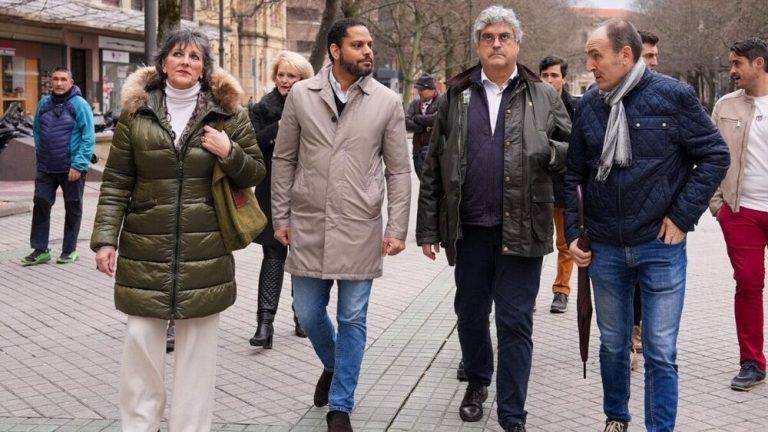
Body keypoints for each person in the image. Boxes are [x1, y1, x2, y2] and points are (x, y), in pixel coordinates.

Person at [90, 29, 265, 432]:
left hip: (205, 248)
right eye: (177, 54)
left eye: (195, 56)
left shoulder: (227, 115)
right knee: (140, 345)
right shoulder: (137, 114)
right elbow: (116, 180)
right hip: (144, 245)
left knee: (197, 355)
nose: (186, 62)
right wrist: (104, 239)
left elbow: (255, 171)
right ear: (163, 62)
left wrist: (229, 151)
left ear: (205, 68)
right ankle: (138, 425)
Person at [566, 19, 729, 432]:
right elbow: (572, 177)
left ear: (625, 55)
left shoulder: (674, 96)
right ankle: (616, 418)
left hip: (660, 246)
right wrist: (572, 233)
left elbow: (714, 155)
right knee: (614, 345)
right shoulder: (588, 105)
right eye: (588, 55)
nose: (590, 63)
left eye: (596, 55)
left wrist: (682, 216)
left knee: (659, 351)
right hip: (603, 247)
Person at [417, 6, 570, 431]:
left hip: (524, 227)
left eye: (504, 36)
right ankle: (478, 381)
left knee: (515, 320)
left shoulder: (543, 95)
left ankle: (512, 410)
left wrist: (549, 151)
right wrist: (428, 229)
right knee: (469, 312)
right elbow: (434, 165)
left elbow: (571, 151)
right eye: (488, 37)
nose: (496, 43)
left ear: (517, 44)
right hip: (470, 229)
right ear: (479, 45)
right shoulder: (457, 94)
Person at [270, 18, 411, 432]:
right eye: (358, 45)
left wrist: (397, 227)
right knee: (309, 313)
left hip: (359, 224)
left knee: (353, 318)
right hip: (308, 223)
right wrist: (281, 215)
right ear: (335, 51)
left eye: (370, 44)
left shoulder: (387, 101)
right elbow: (283, 159)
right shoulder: (301, 94)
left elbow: (399, 172)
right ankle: (334, 366)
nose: (368, 51)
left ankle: (340, 405)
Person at [710, 37, 768, 392]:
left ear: (758, 63)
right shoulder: (725, 106)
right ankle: (751, 361)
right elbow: (711, 155)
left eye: (737, 64)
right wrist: (719, 207)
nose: (732, 71)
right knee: (748, 284)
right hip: (742, 211)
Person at [248, 51, 314, 349]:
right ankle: (265, 324)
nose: (285, 81)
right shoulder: (262, 108)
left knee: (301, 256)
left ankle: (302, 315)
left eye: (292, 76)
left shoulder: (315, 107)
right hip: (272, 190)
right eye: (281, 74)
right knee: (273, 255)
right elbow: (254, 144)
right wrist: (284, 123)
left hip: (307, 191)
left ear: (303, 79)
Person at [21, 67, 94, 266]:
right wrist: (41, 156)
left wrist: (78, 165)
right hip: (46, 168)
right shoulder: (44, 103)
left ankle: (69, 250)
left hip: (71, 168)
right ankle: (40, 249)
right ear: (51, 82)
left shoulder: (79, 105)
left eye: (63, 79)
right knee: (41, 204)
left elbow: (88, 137)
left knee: (72, 208)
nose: (59, 83)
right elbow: (36, 131)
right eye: (55, 79)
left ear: (71, 82)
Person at [539, 55, 576, 314]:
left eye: (554, 75)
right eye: (545, 75)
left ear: (564, 78)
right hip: (538, 185)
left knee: (565, 243)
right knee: (535, 242)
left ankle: (561, 291)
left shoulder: (575, 107)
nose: (550, 80)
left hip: (564, 186)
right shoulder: (531, 105)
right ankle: (527, 292)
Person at [405, 73, 439, 180]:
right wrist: (424, 128)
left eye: (421, 89)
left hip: (435, 151)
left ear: (432, 89)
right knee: (423, 183)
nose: (419, 92)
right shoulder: (415, 103)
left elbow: (436, 119)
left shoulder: (442, 102)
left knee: (434, 185)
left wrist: (416, 118)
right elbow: (405, 122)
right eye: (418, 89)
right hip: (417, 151)